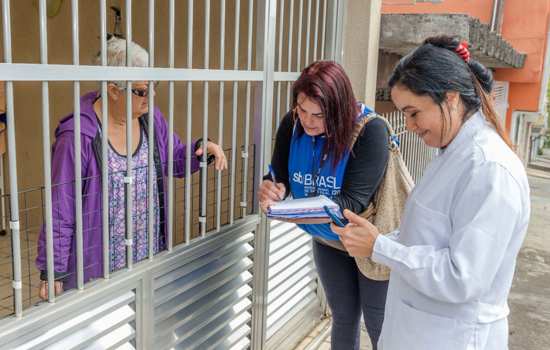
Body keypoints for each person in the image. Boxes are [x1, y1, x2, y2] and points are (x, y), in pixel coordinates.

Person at [332, 36, 530, 350]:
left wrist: (382, 247)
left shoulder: (489, 169)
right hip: (420, 330)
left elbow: (462, 276)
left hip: (453, 337)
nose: (409, 126)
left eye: (413, 113)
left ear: (450, 99)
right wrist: (381, 239)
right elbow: (431, 236)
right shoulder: (451, 154)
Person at [36, 37, 227, 299]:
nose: (151, 96)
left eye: (153, 86)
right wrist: (53, 271)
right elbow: (61, 208)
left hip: (147, 255)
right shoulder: (78, 137)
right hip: (99, 268)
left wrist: (200, 151)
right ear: (114, 90)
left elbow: (173, 157)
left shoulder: (151, 119)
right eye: (141, 90)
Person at [258, 61, 390, 349]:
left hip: (370, 241)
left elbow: (352, 203)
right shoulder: (292, 123)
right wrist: (273, 188)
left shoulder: (371, 131)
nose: (307, 121)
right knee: (343, 317)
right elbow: (280, 175)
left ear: (340, 109)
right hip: (328, 240)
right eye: (302, 110)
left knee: (379, 324)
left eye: (318, 114)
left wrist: (291, 213)